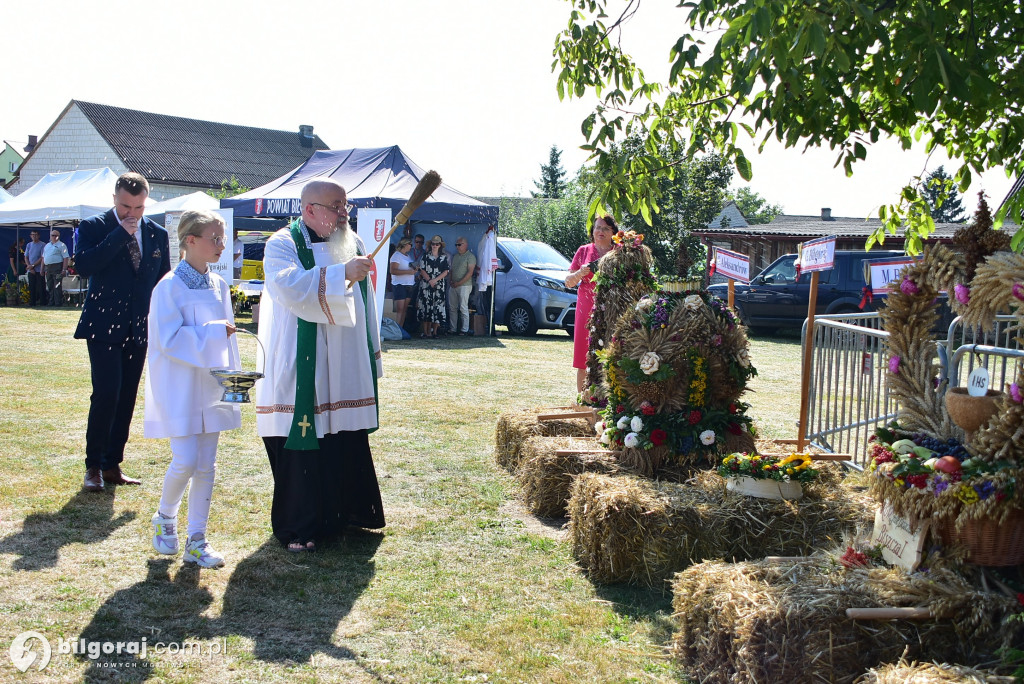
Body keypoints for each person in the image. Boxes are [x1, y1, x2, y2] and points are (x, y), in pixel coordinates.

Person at [255, 179, 385, 552]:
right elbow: (289, 287)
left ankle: (346, 515)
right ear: (309, 209)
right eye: (336, 206)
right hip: (300, 355)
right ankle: (301, 526)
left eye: (346, 205)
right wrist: (343, 273)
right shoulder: (282, 243)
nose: (345, 213)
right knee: (305, 436)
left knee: (343, 435)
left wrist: (370, 352)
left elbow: (366, 304)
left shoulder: (353, 242)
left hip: (344, 358)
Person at [145, 210, 240, 568]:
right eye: (214, 239)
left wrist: (232, 377)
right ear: (190, 241)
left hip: (211, 384)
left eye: (222, 239)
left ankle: (197, 539)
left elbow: (226, 335)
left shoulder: (217, 284)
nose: (221, 246)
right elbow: (167, 339)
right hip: (180, 384)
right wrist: (215, 333)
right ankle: (165, 517)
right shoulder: (169, 287)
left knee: (206, 464)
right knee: (185, 460)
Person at [74, 172, 171, 492]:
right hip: (102, 325)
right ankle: (93, 466)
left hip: (138, 325)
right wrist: (118, 234)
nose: (132, 213)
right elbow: (85, 265)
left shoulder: (157, 233)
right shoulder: (94, 227)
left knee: (127, 395)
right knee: (107, 393)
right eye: (126, 206)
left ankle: (113, 463)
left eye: (139, 207)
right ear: (114, 199)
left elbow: (164, 279)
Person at [565, 214, 618, 393]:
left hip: (613, 306)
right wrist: (580, 273)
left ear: (613, 232)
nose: (600, 231)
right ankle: (582, 398)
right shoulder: (583, 250)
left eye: (605, 228)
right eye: (597, 228)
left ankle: (610, 397)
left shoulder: (619, 252)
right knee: (583, 353)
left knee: (613, 351)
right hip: (586, 307)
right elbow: (568, 282)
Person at [415, 235, 450, 339]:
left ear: (440, 245)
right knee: (426, 307)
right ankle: (426, 332)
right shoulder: (425, 256)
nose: (435, 246)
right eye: (433, 244)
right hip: (426, 285)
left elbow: (446, 271)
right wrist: (430, 280)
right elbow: (422, 270)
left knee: (437, 308)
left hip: (438, 286)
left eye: (437, 244)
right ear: (430, 245)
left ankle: (435, 332)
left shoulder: (444, 257)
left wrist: (435, 280)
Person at [450, 236, 477, 335]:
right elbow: (451, 270)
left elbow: (470, 273)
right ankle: (453, 329)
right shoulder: (456, 256)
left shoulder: (470, 257)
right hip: (454, 285)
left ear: (466, 245)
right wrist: (451, 281)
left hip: (464, 285)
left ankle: (464, 329)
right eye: (456, 245)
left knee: (463, 307)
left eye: (459, 244)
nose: (457, 247)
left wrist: (459, 283)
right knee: (452, 307)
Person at [389, 237, 416, 328]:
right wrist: (408, 272)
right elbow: (393, 271)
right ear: (405, 244)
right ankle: (397, 328)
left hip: (409, 284)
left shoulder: (408, 256)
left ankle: (400, 328)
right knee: (400, 309)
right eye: (410, 244)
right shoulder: (396, 255)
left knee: (404, 308)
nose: (411, 246)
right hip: (400, 284)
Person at [42, 229, 71, 306]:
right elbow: (43, 257)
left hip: (57, 266)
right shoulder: (47, 245)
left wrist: (64, 269)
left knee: (57, 285)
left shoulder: (62, 245)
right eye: (53, 235)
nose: (54, 237)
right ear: (50, 236)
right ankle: (51, 302)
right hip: (48, 267)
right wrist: (42, 268)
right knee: (50, 285)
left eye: (56, 235)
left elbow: (65, 258)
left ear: (59, 236)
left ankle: (58, 302)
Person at [24, 230, 46, 305]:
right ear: (30, 236)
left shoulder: (42, 244)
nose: (34, 236)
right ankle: (32, 302)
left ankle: (43, 302)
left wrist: (33, 265)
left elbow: (42, 257)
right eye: (32, 234)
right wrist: (30, 267)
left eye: (35, 235)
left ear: (39, 236)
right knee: (31, 286)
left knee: (41, 286)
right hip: (31, 270)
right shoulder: (29, 245)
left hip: (39, 269)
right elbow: (26, 257)